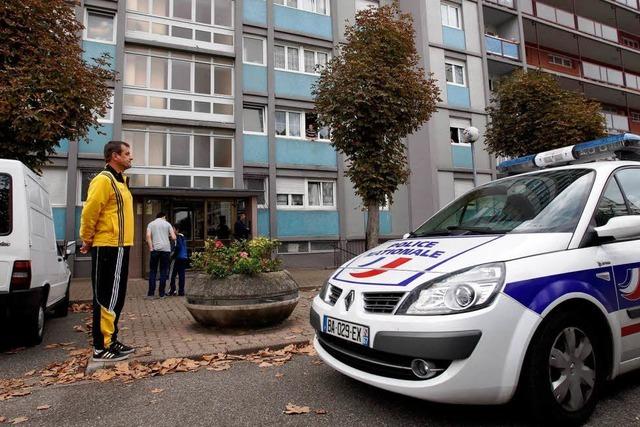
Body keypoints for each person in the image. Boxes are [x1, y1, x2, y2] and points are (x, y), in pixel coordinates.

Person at [80, 140, 135, 362]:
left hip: (121, 245)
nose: (131, 157)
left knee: (116, 297)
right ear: (114, 156)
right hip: (108, 245)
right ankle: (101, 347)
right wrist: (87, 238)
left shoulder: (121, 182)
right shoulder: (104, 180)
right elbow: (90, 210)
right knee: (106, 297)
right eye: (127, 153)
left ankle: (111, 340)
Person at [146, 212, 176, 298]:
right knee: (163, 271)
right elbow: (174, 237)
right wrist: (168, 235)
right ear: (163, 216)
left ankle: (151, 293)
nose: (166, 219)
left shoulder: (151, 224)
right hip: (166, 250)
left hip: (155, 249)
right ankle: (161, 293)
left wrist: (151, 247)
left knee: (153, 271)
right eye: (165, 218)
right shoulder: (167, 224)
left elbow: (148, 236)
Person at [168, 224, 188, 296]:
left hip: (178, 258)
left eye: (173, 229)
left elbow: (178, 247)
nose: (171, 230)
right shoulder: (183, 236)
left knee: (172, 275)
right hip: (184, 258)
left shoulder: (177, 237)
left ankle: (172, 290)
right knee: (181, 275)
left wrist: (173, 256)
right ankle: (181, 291)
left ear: (177, 230)